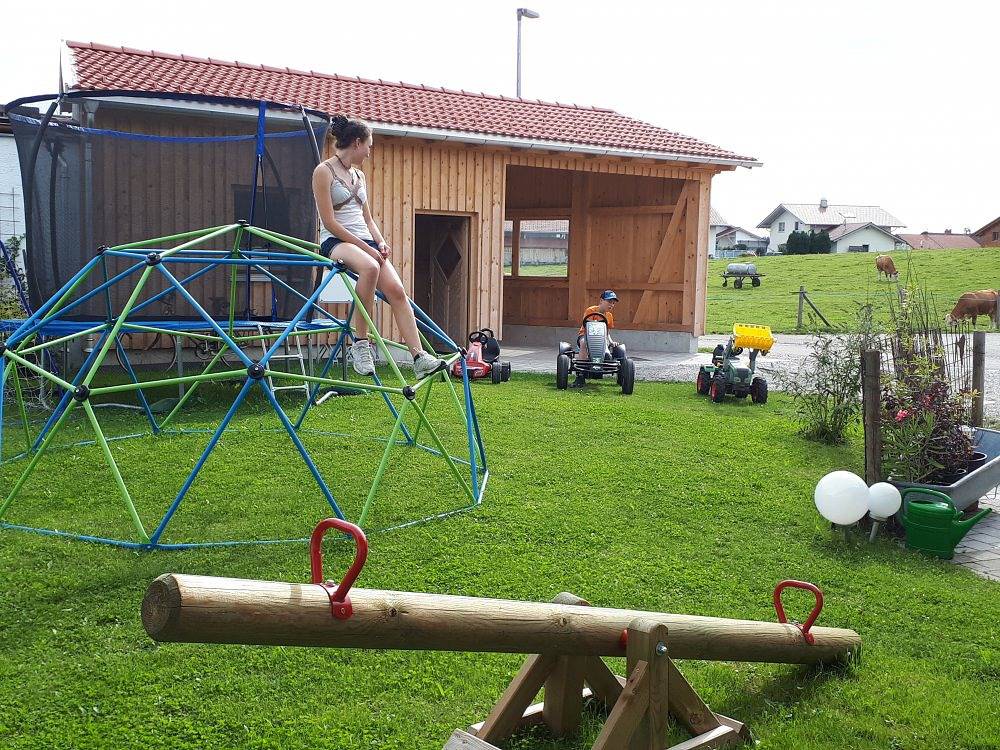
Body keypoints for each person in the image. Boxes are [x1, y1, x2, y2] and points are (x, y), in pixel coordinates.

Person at [312, 115, 446, 379]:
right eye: (369, 146)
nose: (370, 153)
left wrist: (381, 241)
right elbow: (329, 221)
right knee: (370, 267)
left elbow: (368, 219)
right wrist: (368, 249)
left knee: (397, 289)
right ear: (357, 143)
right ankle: (360, 344)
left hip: (366, 241)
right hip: (337, 241)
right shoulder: (323, 172)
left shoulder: (359, 175)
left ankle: (419, 357)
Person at [572, 289, 619, 386]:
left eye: (613, 303)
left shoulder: (609, 316)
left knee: (608, 349)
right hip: (585, 335)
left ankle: (605, 361)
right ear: (601, 301)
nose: (611, 305)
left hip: (601, 338)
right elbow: (587, 326)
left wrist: (611, 342)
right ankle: (580, 375)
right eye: (609, 302)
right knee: (584, 343)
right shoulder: (591, 310)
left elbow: (607, 332)